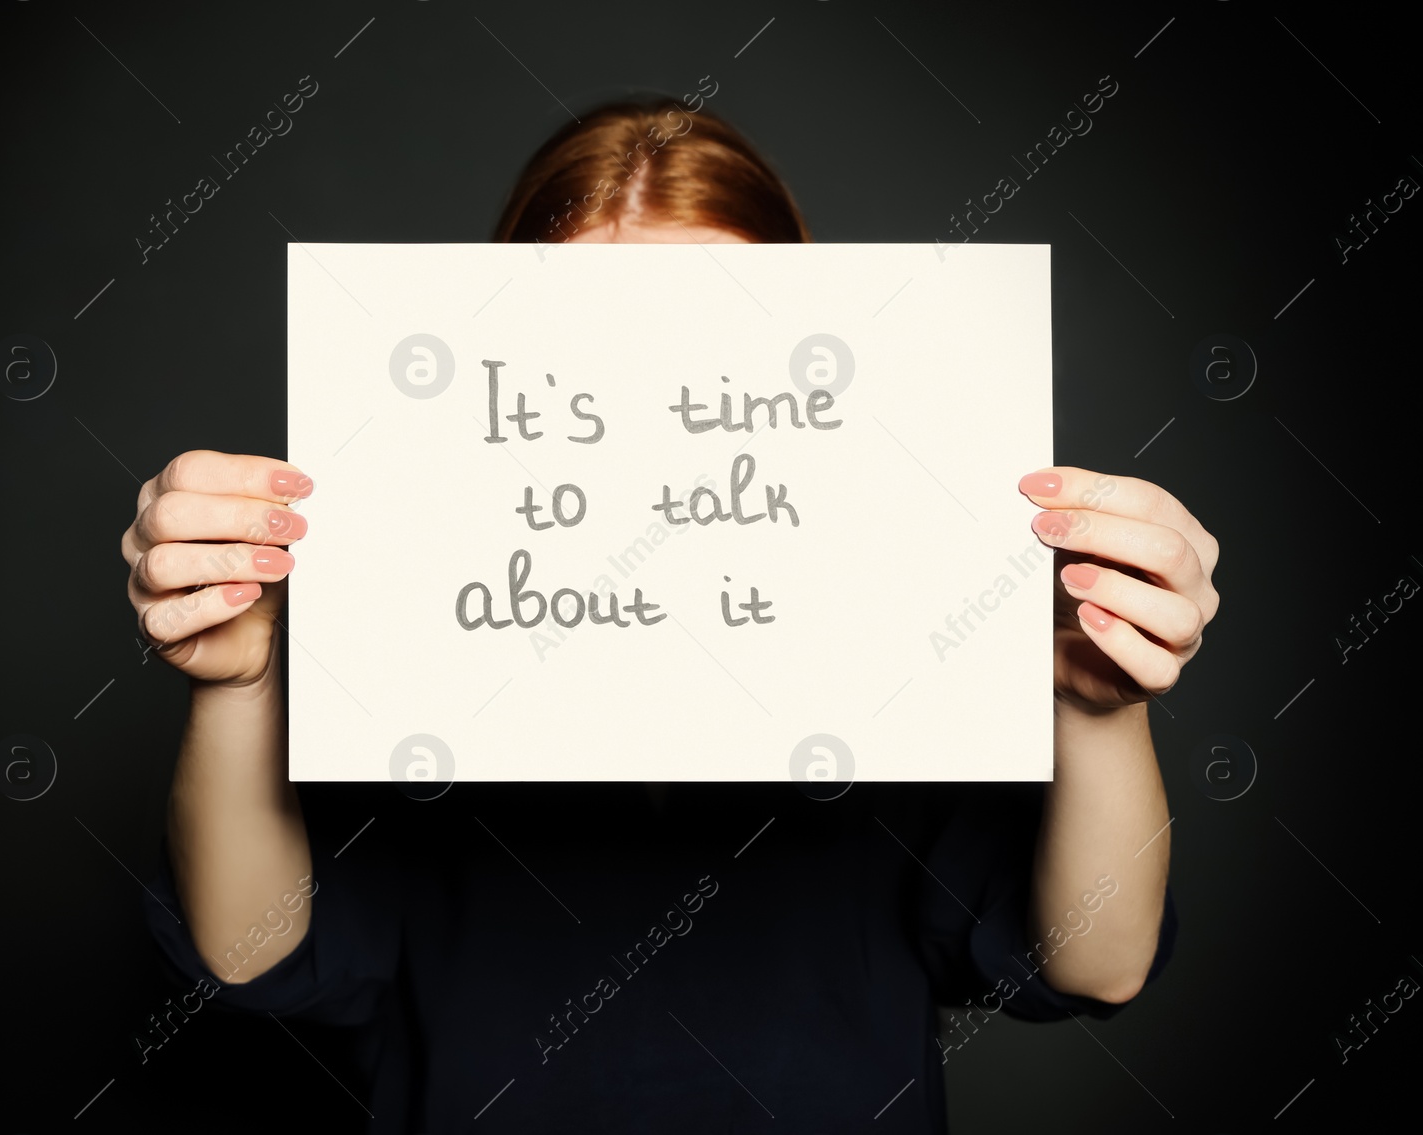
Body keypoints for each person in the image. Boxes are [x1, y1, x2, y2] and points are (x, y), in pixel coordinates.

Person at [127, 99, 1216, 1132]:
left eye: (711, 338)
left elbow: (1096, 960)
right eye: (589, 338)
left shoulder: (904, 650)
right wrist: (238, 685)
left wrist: (1101, 706)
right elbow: (251, 952)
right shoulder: (403, 645)